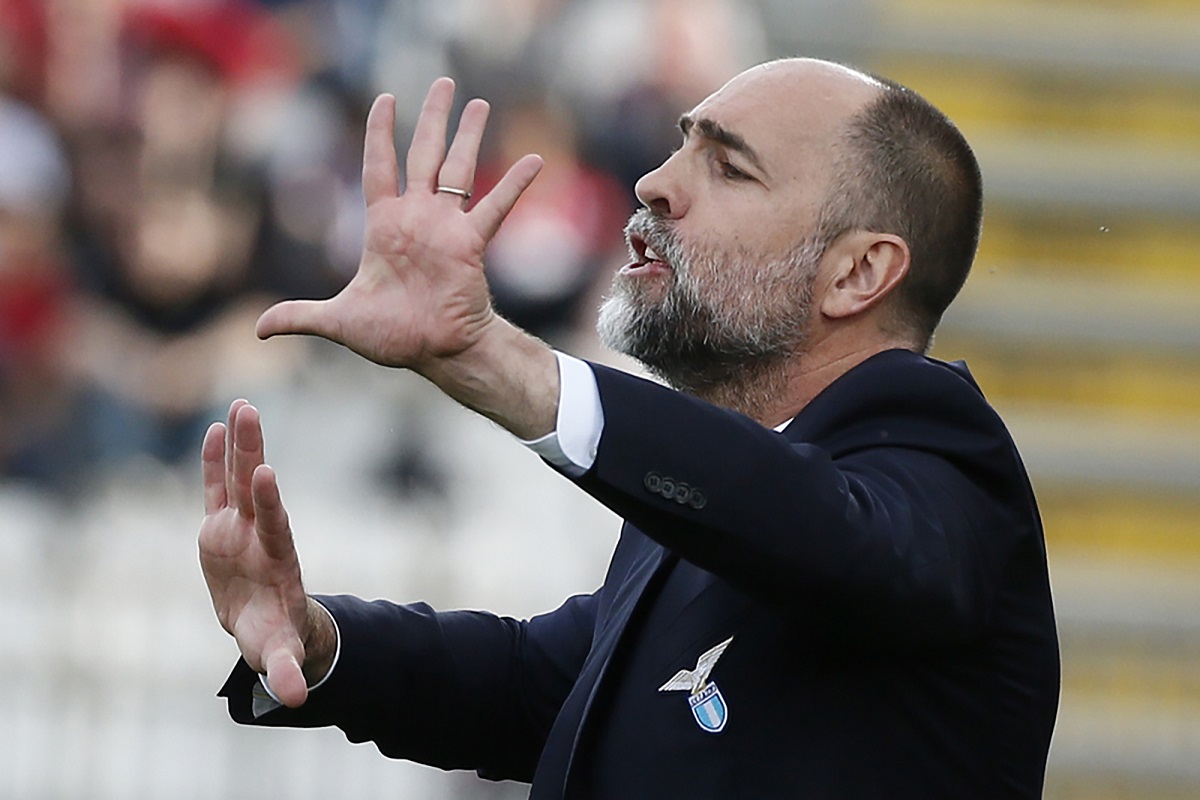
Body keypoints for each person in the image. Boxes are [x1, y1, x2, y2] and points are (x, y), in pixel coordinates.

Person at [199, 58, 1060, 798]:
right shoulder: (719, 485)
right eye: (681, 142)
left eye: (728, 167)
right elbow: (546, 687)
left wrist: (492, 359)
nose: (654, 182)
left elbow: (818, 527)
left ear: (859, 272)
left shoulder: (943, 460)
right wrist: (318, 641)